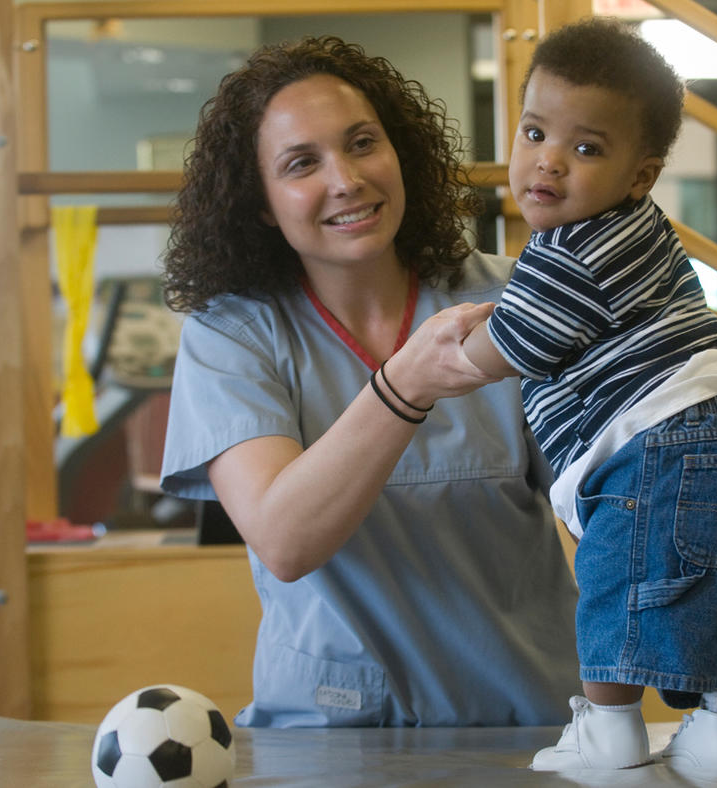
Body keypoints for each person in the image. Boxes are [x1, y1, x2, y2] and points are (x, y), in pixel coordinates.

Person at [159, 35, 580, 728]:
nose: (347, 179)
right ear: (260, 201)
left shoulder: (511, 299)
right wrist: (403, 386)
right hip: (328, 737)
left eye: (362, 143)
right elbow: (285, 540)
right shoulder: (231, 335)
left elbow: (604, 497)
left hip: (525, 720)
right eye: (302, 163)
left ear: (401, 152)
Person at [462, 18, 717, 775]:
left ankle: (609, 731)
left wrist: (438, 352)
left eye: (585, 149)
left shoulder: (570, 245)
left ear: (639, 175)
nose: (546, 162)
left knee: (613, 581)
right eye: (533, 131)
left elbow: (508, 348)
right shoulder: (642, 230)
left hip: (668, 434)